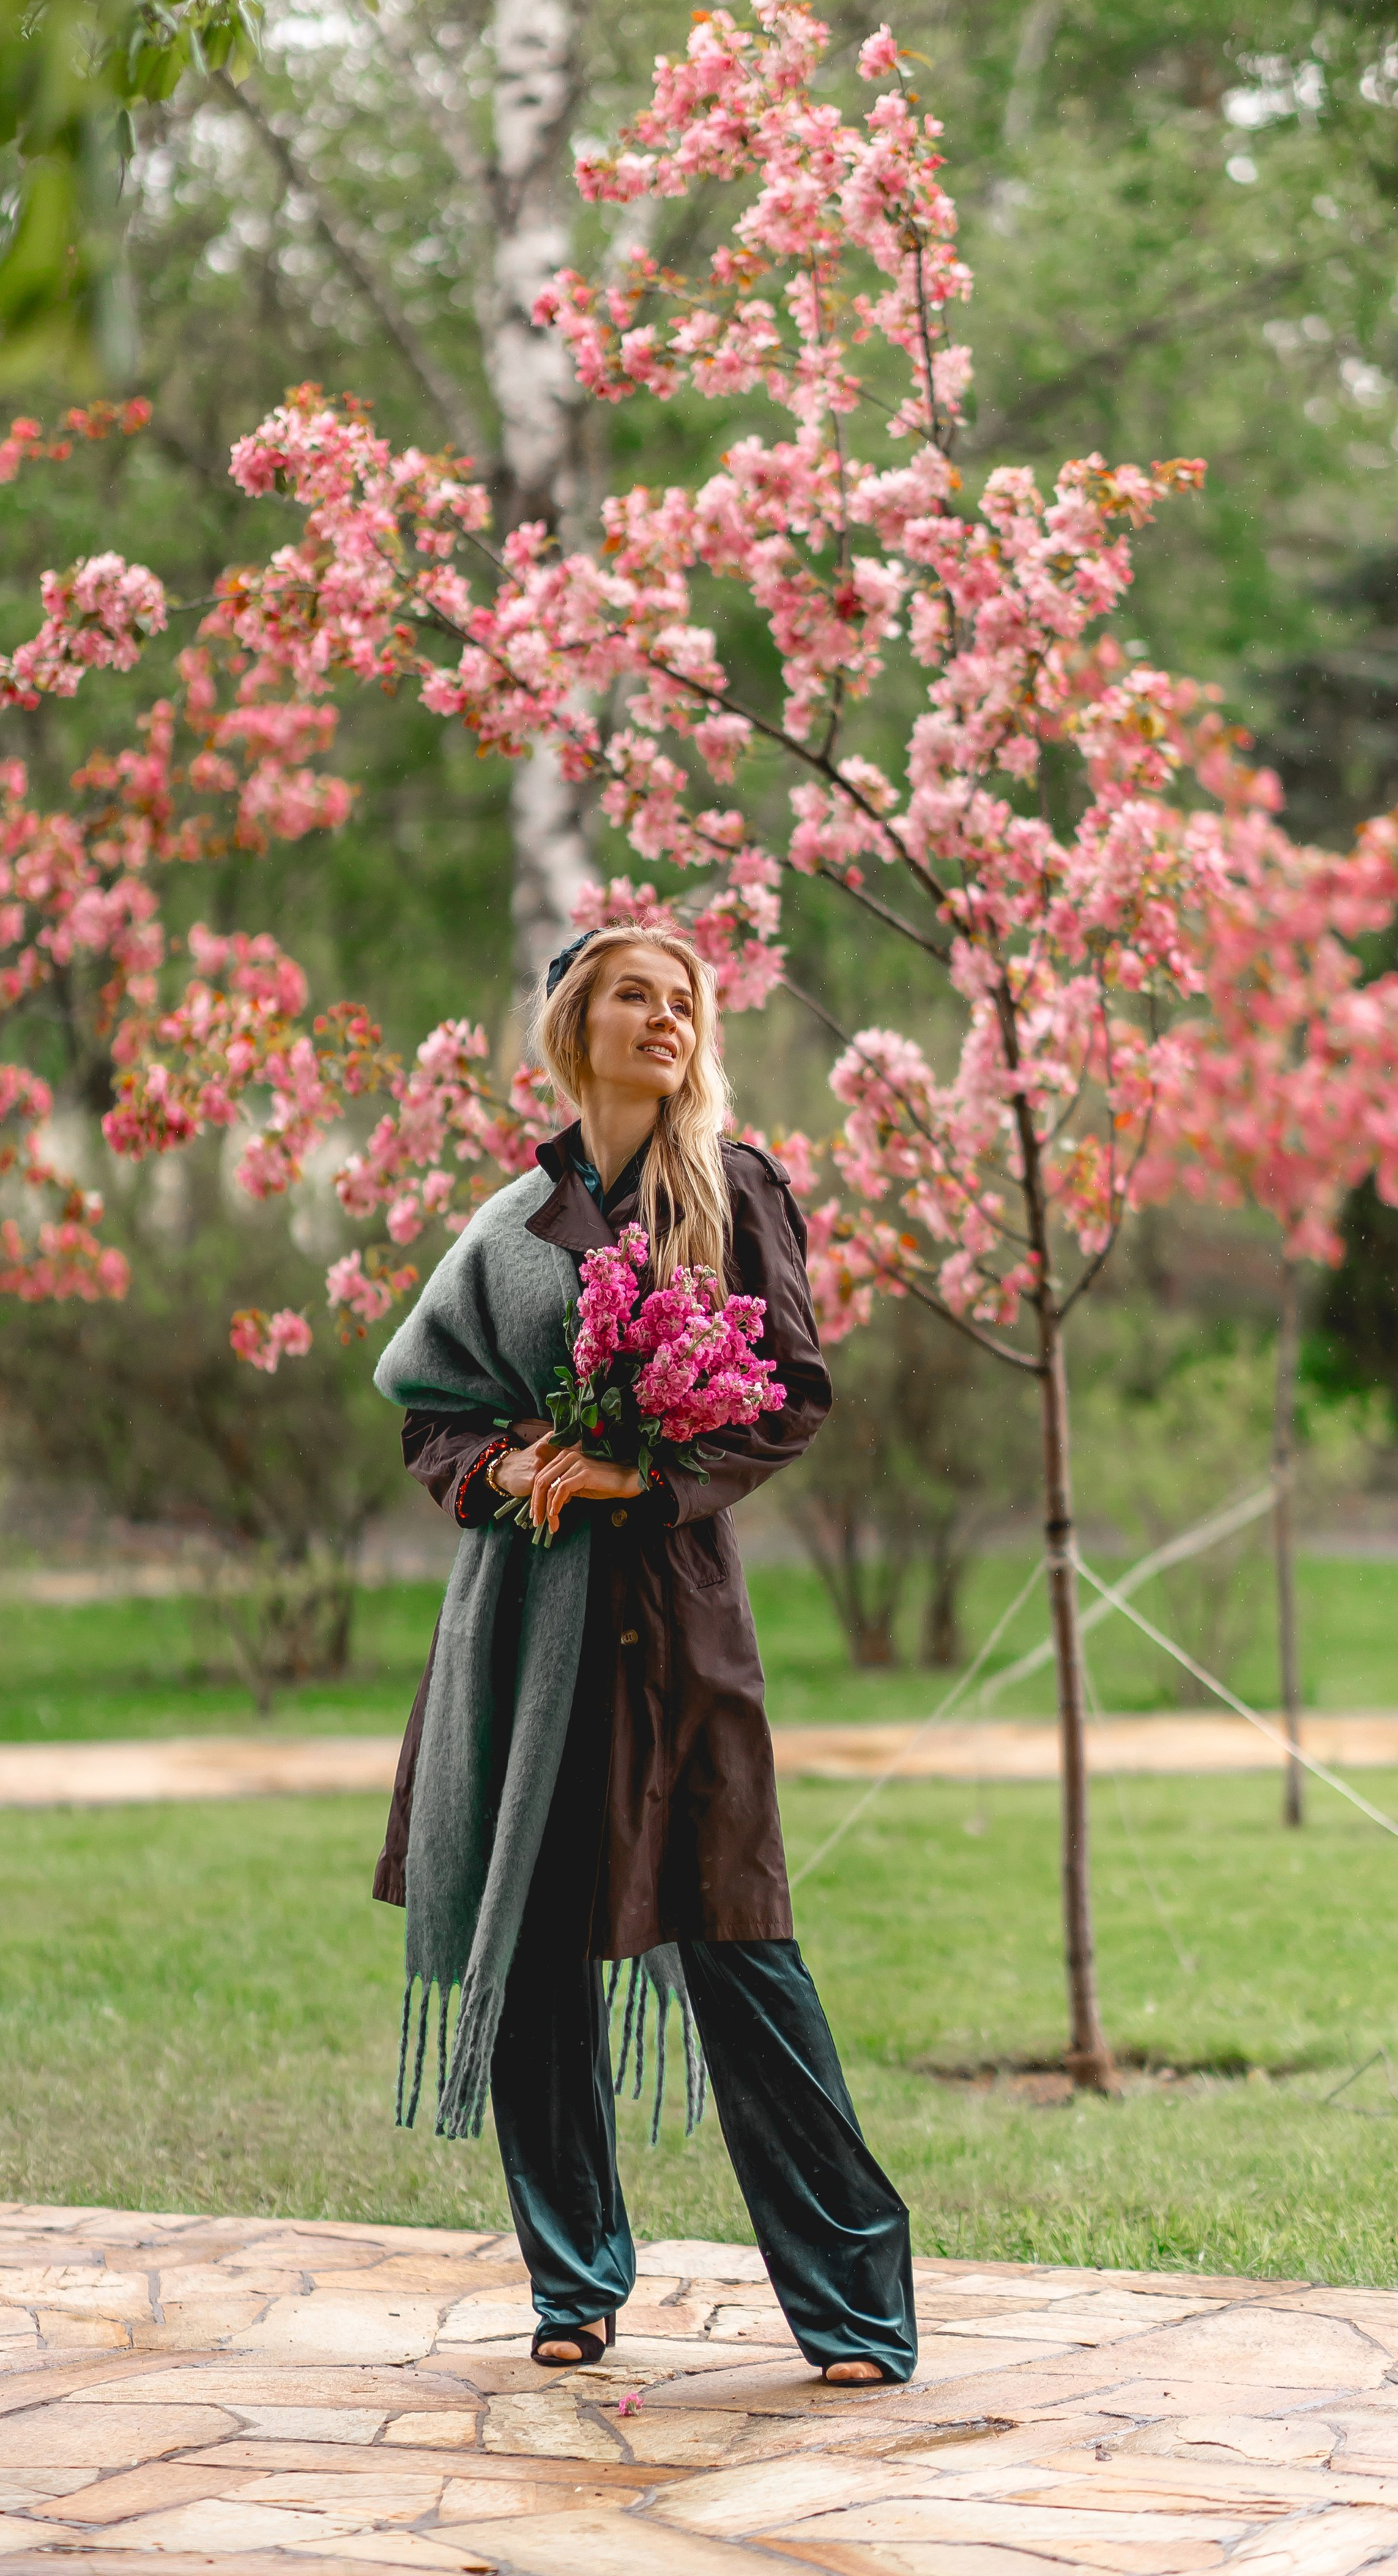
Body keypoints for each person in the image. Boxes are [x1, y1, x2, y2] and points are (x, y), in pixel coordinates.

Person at [373, 923, 916, 2387]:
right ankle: (571, 2280)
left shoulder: (733, 1195)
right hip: (519, 1648)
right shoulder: (503, 1226)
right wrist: (507, 1471)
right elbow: (430, 1412)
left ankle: (856, 2307)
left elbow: (792, 1394)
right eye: (634, 994)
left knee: (741, 1952)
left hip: (675, 1630)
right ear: (573, 1024)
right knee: (535, 1961)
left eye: (684, 1000)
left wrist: (643, 1478)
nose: (665, 1016)